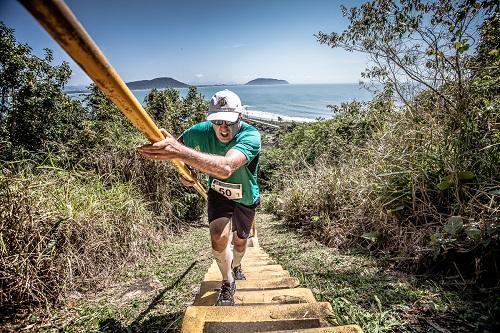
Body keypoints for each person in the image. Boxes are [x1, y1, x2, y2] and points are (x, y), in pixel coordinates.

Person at [137, 89, 261, 306]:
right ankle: (227, 281)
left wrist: (181, 154)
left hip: (245, 196)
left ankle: (237, 265)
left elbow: (225, 168)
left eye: (229, 121)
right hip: (218, 192)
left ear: (240, 117)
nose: (223, 128)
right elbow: (179, 148)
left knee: (240, 244)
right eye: (217, 121)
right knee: (218, 237)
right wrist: (185, 173)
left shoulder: (250, 136)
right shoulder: (200, 131)